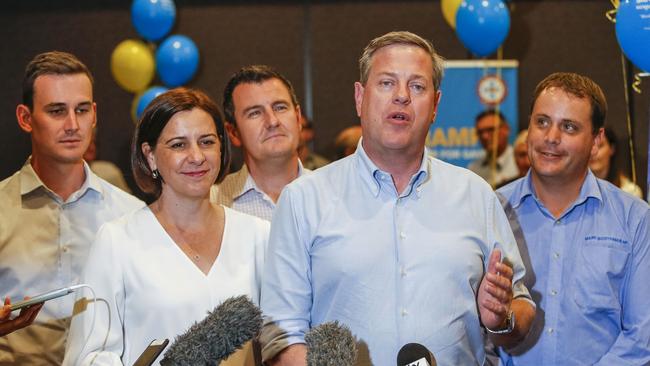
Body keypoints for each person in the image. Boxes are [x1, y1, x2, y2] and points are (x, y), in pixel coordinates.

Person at [260, 31, 535, 366]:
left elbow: (519, 307)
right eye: (387, 83)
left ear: (435, 106)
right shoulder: (304, 200)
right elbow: (282, 334)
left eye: (417, 87)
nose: (402, 96)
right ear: (360, 97)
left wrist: (502, 319)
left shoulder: (475, 194)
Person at [64, 88, 270, 366]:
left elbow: (279, 339)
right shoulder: (117, 241)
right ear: (150, 156)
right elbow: (88, 356)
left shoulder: (258, 235)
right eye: (178, 145)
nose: (196, 156)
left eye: (207, 142)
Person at [0, 51, 143, 364]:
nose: (72, 124)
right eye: (56, 111)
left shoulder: (131, 214)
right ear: (25, 118)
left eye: (81, 110)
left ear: (94, 114)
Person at [497, 72, 650, 365]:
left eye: (568, 127)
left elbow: (642, 337)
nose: (551, 138)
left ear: (596, 141)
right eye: (542, 122)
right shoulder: (493, 209)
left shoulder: (635, 220)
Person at [211, 65, 308, 221]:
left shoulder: (334, 195)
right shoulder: (211, 202)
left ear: (297, 118)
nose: (272, 121)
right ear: (233, 132)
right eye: (254, 113)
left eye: (280, 107)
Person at [468, 109, 519, 187]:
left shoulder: (521, 161)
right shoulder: (474, 169)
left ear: (506, 129)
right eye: (480, 132)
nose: (484, 136)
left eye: (491, 130)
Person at [589, 127, 642, 198]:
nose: (593, 153)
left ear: (612, 148)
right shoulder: (576, 190)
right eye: (589, 146)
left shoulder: (629, 192)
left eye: (600, 146)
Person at [83, 128, 132, 193]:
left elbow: (127, 200)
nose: (92, 148)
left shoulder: (110, 172)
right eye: (87, 143)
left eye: (93, 142)